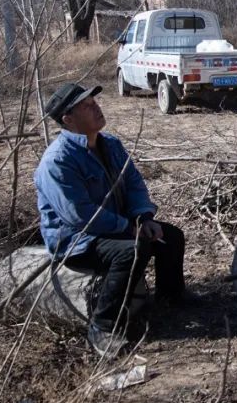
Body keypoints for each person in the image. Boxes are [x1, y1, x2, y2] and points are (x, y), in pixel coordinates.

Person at [34, 82, 187, 358]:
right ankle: (103, 327)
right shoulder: (57, 161)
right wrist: (129, 229)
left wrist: (143, 217)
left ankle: (170, 298)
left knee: (170, 237)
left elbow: (134, 183)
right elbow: (79, 216)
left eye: (95, 102)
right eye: (87, 106)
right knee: (133, 251)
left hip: (118, 227)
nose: (97, 108)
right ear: (68, 119)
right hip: (77, 241)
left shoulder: (111, 145)